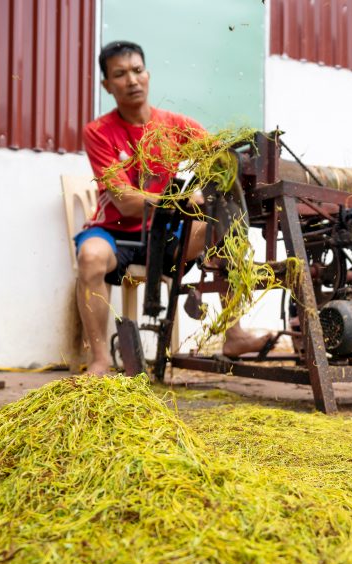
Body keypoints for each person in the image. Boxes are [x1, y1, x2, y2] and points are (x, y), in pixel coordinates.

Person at [77, 41, 272, 376]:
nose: (132, 80)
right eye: (120, 74)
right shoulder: (98, 132)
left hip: (166, 234)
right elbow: (124, 200)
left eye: (137, 71)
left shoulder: (175, 124)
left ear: (148, 75)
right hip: (116, 232)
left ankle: (234, 335)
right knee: (91, 258)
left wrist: (234, 169)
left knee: (224, 228)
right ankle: (99, 359)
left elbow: (221, 158)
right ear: (107, 85)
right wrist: (179, 201)